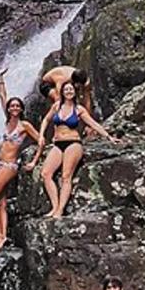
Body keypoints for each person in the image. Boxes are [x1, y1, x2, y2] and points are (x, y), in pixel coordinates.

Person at [26, 79, 120, 218]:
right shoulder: (57, 106)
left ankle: (60, 210)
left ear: (75, 92)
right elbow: (46, 119)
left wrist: (109, 137)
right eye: (66, 90)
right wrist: (41, 135)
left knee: (66, 176)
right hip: (58, 143)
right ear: (62, 92)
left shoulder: (79, 109)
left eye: (71, 89)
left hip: (73, 143)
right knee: (46, 174)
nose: (69, 91)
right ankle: (54, 206)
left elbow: (93, 124)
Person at [0, 70, 40, 250]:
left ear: (21, 109)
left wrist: (34, 161)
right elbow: (2, 97)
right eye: (11, 106)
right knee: (1, 202)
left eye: (17, 106)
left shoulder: (25, 125)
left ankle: (0, 236)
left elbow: (41, 140)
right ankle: (4, 236)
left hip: (9, 166)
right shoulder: (7, 122)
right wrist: (0, 80)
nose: (14, 108)